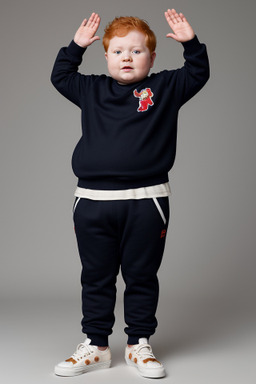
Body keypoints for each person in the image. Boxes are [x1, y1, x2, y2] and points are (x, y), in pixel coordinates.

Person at [51, 8, 209, 379]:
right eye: (119, 51)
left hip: (147, 201)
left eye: (137, 51)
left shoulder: (165, 88)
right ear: (105, 56)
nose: (127, 57)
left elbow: (198, 73)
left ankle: (139, 344)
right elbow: (60, 76)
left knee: (141, 275)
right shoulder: (90, 89)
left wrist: (191, 43)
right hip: (92, 201)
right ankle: (97, 346)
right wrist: (75, 46)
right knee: (96, 275)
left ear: (152, 58)